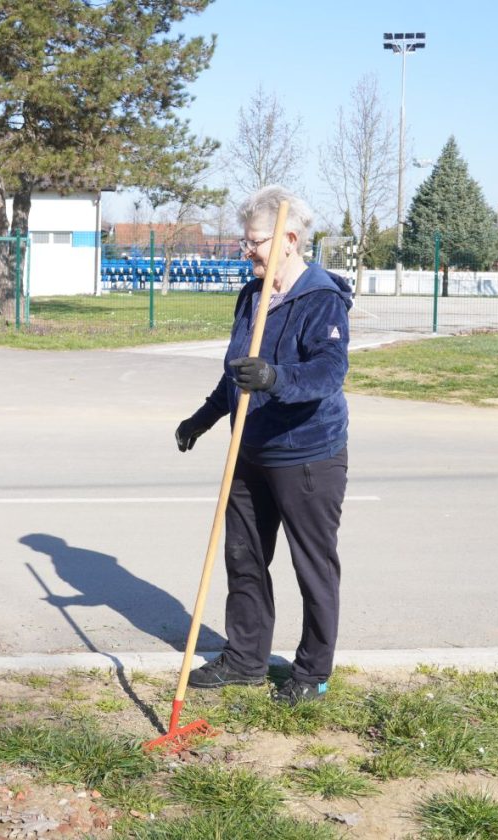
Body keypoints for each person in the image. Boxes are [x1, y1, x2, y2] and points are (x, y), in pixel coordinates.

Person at [174, 186, 351, 705]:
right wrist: (203, 418)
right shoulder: (252, 296)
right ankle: (247, 660)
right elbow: (237, 374)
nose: (245, 250)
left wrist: (274, 376)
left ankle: (313, 671)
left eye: (254, 242)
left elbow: (327, 372)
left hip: (307, 456)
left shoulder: (322, 298)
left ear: (289, 240)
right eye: (246, 241)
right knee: (244, 557)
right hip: (248, 453)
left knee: (312, 564)